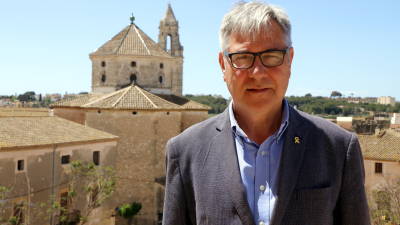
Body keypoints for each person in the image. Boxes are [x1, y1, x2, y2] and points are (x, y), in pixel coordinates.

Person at [162, 2, 370, 225]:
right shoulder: (184, 152)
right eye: (242, 58)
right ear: (223, 65)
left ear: (290, 59)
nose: (258, 73)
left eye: (272, 56)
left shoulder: (338, 148)